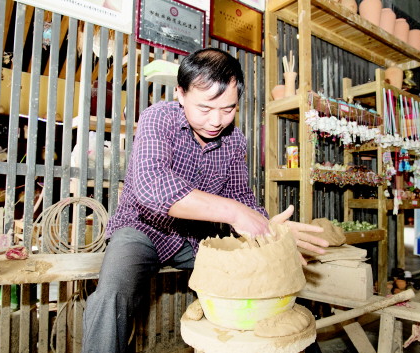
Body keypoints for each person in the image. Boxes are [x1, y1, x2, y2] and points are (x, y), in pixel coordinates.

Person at [81, 48, 329, 353]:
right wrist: (234, 213)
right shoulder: (158, 118)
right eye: (205, 108)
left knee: (264, 276)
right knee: (113, 292)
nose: (216, 120)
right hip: (142, 230)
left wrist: (270, 234)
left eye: (228, 109)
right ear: (181, 94)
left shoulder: (235, 140)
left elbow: (240, 195)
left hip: (195, 238)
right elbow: (150, 186)